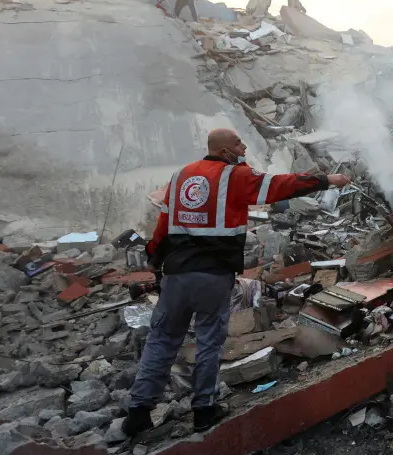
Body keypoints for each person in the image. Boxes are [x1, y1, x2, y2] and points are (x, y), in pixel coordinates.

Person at [123, 129, 350, 436]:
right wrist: (325, 181)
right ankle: (204, 410)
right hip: (213, 275)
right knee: (209, 341)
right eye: (239, 144)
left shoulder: (180, 177)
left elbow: (163, 227)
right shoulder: (234, 175)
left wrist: (153, 261)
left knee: (161, 339)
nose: (244, 147)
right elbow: (277, 186)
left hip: (177, 275)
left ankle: (138, 413)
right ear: (226, 151)